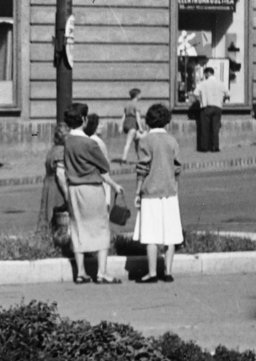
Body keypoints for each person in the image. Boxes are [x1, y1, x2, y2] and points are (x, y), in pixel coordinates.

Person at [55, 107, 121, 284]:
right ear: (84, 119)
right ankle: (102, 272)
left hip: (74, 188)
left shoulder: (67, 141)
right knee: (100, 228)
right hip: (91, 188)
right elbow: (104, 166)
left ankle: (80, 272)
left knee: (78, 227)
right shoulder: (91, 144)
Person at [133, 102, 183, 282]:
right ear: (166, 121)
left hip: (150, 191)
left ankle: (152, 272)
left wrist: (138, 191)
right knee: (170, 234)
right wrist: (174, 185)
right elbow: (177, 168)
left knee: (151, 234)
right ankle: (168, 271)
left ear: (148, 121)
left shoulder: (145, 141)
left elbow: (142, 168)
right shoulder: (172, 140)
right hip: (169, 192)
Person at [40, 120, 69, 247]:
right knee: (57, 216)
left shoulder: (53, 149)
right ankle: (57, 243)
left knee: (47, 213)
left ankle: (47, 241)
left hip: (48, 185)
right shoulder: (61, 151)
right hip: (56, 187)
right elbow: (60, 174)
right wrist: (67, 194)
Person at [191, 65, 228, 152]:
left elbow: (195, 93)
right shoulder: (221, 83)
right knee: (215, 128)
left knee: (205, 127)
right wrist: (221, 99)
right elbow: (228, 94)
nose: (205, 76)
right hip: (218, 107)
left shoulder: (203, 83)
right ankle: (215, 147)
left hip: (206, 107)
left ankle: (205, 147)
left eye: (205, 74)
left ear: (207, 73)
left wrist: (200, 100)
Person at [120, 88, 145, 162]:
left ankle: (138, 158)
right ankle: (123, 159)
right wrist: (140, 127)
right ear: (137, 95)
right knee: (129, 142)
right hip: (133, 123)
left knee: (137, 141)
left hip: (127, 123)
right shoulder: (136, 104)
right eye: (140, 94)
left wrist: (121, 125)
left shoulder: (127, 104)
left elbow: (123, 116)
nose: (141, 96)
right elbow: (137, 117)